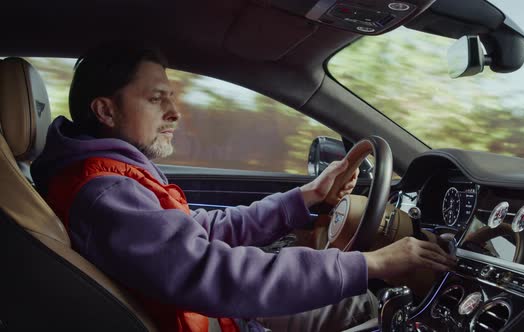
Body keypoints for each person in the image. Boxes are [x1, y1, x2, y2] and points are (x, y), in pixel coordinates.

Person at [31, 42, 456, 332]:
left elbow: (201, 232)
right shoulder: (104, 192)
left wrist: (305, 198)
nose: (176, 112)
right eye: (157, 98)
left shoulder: (111, 175)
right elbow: (211, 273)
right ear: (105, 110)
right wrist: (372, 266)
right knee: (377, 312)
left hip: (214, 316)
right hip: (218, 317)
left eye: (172, 97)